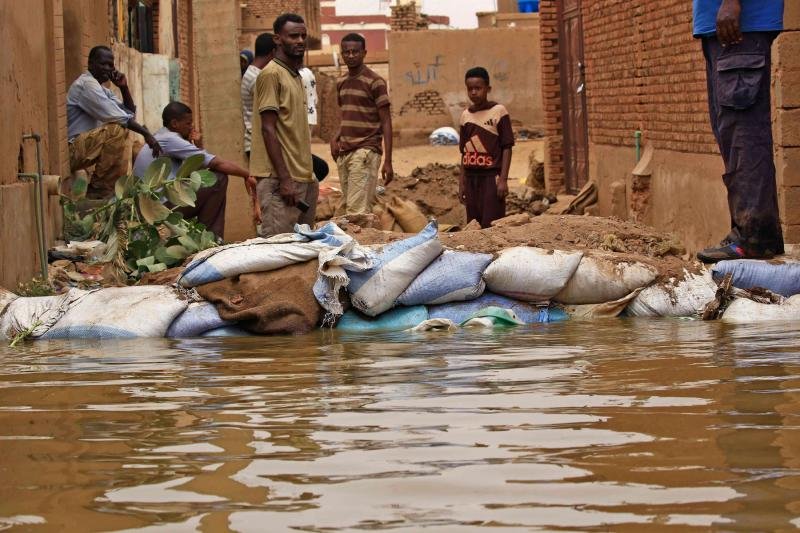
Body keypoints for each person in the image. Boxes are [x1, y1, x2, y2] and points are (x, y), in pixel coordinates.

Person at [694, 0, 785, 262]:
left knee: (745, 133)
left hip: (737, 25)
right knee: (732, 133)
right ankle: (749, 234)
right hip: (723, 29)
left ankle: (754, 237)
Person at [133, 102, 257, 239]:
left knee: (208, 180)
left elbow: (197, 171)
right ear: (175, 124)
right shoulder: (171, 140)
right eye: (188, 123)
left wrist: (198, 145)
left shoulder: (161, 136)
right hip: (159, 209)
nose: (191, 127)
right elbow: (216, 163)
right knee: (219, 178)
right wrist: (247, 175)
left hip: (152, 207)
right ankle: (211, 238)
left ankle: (206, 238)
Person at [250, 13, 317, 237]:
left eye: (303, 36)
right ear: (278, 39)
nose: (300, 40)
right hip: (280, 180)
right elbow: (268, 128)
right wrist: (285, 179)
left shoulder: (295, 76)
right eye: (293, 36)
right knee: (278, 248)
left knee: (303, 245)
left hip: (302, 177)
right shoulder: (271, 75)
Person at [67, 45, 161, 199]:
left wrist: (124, 87)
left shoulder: (102, 89)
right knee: (116, 130)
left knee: (123, 131)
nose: (107, 68)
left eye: (110, 65)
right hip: (71, 151)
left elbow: (128, 114)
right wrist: (147, 135)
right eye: (102, 64)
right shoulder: (87, 85)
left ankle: (109, 189)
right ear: (90, 64)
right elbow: (121, 119)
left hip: (84, 150)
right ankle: (99, 189)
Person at [330, 33, 393, 215]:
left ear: (364, 53)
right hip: (345, 152)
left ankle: (360, 242)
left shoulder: (375, 82)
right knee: (353, 207)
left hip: (366, 150)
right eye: (346, 52)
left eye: (355, 52)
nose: (350, 56)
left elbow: (386, 121)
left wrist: (387, 160)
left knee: (356, 212)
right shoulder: (341, 82)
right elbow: (347, 115)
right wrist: (335, 138)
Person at [457, 67, 514, 229]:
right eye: (470, 89)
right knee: (474, 225)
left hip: (491, 178)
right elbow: (464, 152)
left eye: (478, 88)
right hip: (471, 178)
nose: (474, 92)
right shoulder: (465, 116)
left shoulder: (499, 112)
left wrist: (503, 179)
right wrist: (462, 183)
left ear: (488, 89)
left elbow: (507, 147)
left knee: (492, 224)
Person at [242, 33, 276, 159]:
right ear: (273, 52)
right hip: (258, 143)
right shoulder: (257, 78)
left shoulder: (252, 73)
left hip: (257, 141)